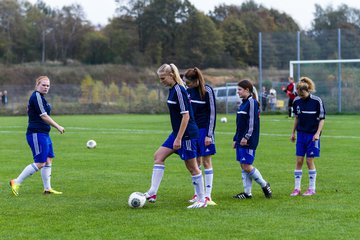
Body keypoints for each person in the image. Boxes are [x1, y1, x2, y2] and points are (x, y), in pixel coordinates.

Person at [144, 63, 207, 209]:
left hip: (187, 135)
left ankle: (202, 200)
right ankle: (152, 192)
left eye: (163, 78)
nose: (161, 81)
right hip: (177, 132)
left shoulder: (179, 90)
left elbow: (185, 116)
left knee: (192, 167)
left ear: (171, 75)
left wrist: (179, 139)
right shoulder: (172, 89)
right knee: (158, 156)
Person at [10, 76, 65, 196]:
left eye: (48, 85)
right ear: (37, 85)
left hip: (44, 133)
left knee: (48, 159)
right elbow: (44, 116)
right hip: (36, 133)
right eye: (43, 85)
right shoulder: (36, 96)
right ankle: (16, 182)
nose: (46, 87)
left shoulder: (41, 98)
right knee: (40, 163)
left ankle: (47, 188)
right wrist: (58, 126)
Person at [233, 79, 272, 200]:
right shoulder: (243, 103)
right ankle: (247, 193)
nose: (238, 92)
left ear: (247, 90)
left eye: (239, 89)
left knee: (247, 165)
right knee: (243, 165)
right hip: (240, 139)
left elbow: (252, 122)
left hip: (248, 139)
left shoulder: (252, 103)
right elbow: (239, 124)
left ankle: (264, 185)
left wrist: (246, 137)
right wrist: (236, 138)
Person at [183, 67, 217, 206]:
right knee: (195, 162)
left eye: (189, 83)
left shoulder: (207, 91)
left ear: (196, 81)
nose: (187, 85)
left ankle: (208, 196)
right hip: (193, 130)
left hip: (204, 130)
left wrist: (209, 134)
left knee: (206, 161)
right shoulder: (187, 91)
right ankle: (198, 194)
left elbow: (212, 114)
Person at [290, 77, 325, 196]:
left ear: (308, 90)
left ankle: (311, 188)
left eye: (303, 94)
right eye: (299, 94)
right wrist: (293, 133)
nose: (301, 97)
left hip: (312, 136)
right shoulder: (296, 101)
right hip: (301, 135)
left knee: (309, 161)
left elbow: (322, 120)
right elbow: (297, 118)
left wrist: (317, 134)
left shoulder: (317, 101)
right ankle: (297, 188)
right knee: (299, 160)